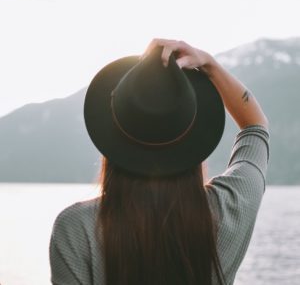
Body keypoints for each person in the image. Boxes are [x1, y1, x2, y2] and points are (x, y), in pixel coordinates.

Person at [49, 39, 269, 285]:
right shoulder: (230, 208)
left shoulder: (75, 229)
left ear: (112, 139)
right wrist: (209, 65)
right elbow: (255, 125)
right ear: (192, 139)